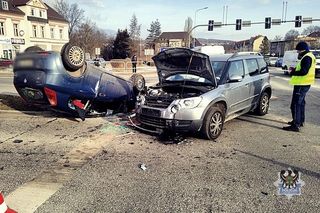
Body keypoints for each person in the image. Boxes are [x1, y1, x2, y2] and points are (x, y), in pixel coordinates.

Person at [283, 41, 316, 132]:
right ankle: (300, 121)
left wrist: (293, 72)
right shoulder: (309, 56)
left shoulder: (307, 58)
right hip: (304, 84)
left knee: (295, 104)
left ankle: (296, 125)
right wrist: (294, 70)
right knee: (301, 103)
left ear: (302, 50)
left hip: (302, 84)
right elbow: (303, 69)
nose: (297, 52)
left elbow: (304, 71)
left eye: (298, 50)